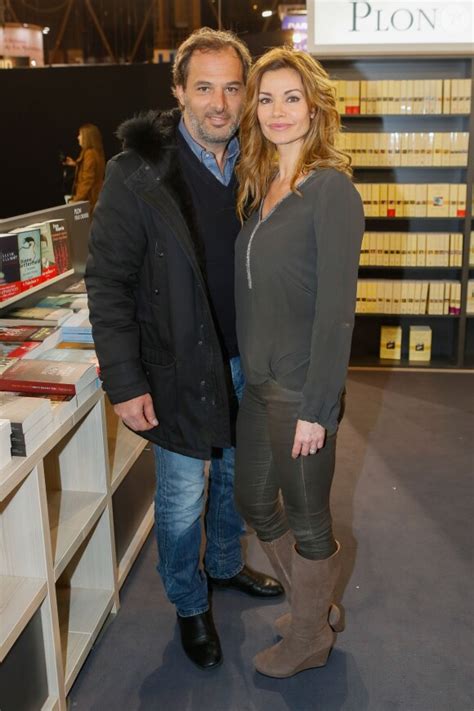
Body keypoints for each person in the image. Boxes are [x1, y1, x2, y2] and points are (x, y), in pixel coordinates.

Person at [85, 28, 283, 672]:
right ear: (178, 92)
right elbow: (108, 283)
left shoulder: (262, 163)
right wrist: (123, 380)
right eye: (204, 87)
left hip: (245, 361)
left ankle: (224, 567)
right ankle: (189, 602)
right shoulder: (134, 173)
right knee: (179, 496)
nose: (219, 103)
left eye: (232, 87)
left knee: (232, 481)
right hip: (175, 364)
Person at [234, 47, 364, 678]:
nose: (277, 111)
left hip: (298, 391)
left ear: (314, 108)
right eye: (265, 99)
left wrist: (318, 407)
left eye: (291, 98)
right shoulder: (265, 187)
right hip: (258, 387)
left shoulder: (330, 190)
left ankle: (310, 636)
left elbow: (338, 309)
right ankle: (315, 608)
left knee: (310, 520)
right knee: (254, 502)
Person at [64, 123, 105, 212]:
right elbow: (90, 170)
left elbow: (87, 180)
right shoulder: (96, 152)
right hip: (96, 198)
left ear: (86, 137)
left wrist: (76, 200)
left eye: (80, 135)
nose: (78, 137)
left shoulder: (89, 154)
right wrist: (75, 164)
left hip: (90, 200)